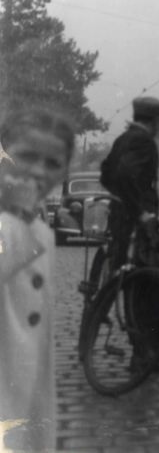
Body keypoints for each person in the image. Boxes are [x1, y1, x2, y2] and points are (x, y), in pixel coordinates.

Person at [0, 107, 75, 452]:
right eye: (26, 156)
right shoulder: (16, 223)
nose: (37, 171)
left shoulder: (41, 231)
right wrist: (14, 211)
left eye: (52, 163)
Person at [100, 96, 159, 372]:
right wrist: (140, 211)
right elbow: (122, 175)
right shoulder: (143, 141)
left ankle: (143, 352)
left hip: (123, 224)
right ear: (154, 120)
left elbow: (106, 174)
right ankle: (146, 355)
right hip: (137, 227)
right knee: (151, 288)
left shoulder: (124, 139)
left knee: (136, 287)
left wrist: (122, 202)